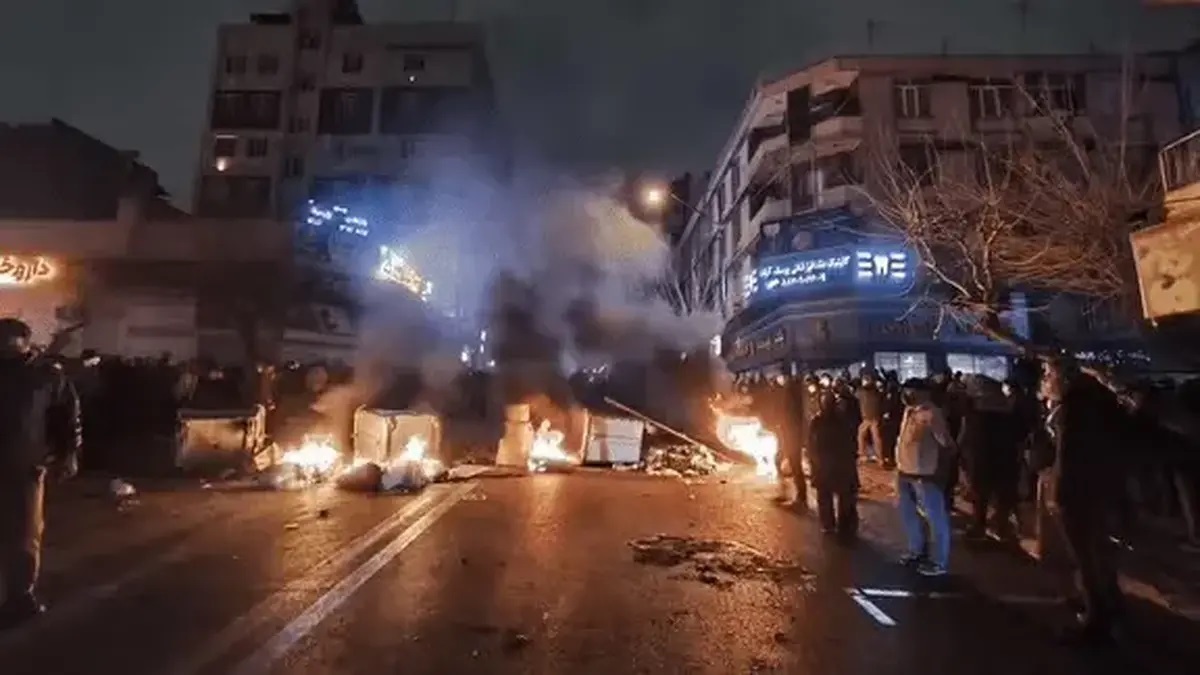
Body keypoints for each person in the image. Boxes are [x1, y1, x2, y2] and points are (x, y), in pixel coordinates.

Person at [0, 318, 81, 628]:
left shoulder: (45, 376)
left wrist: (68, 454)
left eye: (8, 338)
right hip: (21, 461)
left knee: (23, 533)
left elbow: (67, 417)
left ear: (24, 340)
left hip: (24, 465)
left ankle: (20, 597)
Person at [1042, 358, 1127, 643]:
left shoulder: (1074, 409)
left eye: (1049, 374)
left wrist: (1059, 493)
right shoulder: (1095, 404)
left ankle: (1096, 619)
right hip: (1098, 489)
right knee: (1096, 552)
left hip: (1079, 492)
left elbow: (1070, 457)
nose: (1045, 380)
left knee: (1086, 556)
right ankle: (1107, 605)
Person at [895, 378, 957, 577]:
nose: (906, 395)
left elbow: (946, 443)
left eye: (910, 391)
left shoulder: (931, 413)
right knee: (910, 515)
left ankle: (939, 561)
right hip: (905, 471)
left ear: (922, 393)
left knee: (935, 517)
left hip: (924, 474)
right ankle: (916, 551)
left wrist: (941, 471)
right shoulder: (908, 411)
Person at [808, 392, 859, 539]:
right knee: (844, 497)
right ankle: (845, 526)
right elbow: (851, 441)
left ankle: (829, 525)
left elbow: (811, 443)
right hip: (840, 464)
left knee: (826, 496)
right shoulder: (842, 420)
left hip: (825, 465)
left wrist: (813, 461)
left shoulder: (818, 421)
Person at [855, 373, 885, 464]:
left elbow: (856, 395)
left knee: (863, 435)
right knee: (875, 437)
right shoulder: (876, 391)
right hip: (873, 417)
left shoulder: (862, 391)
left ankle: (864, 455)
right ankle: (879, 457)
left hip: (869, 418)